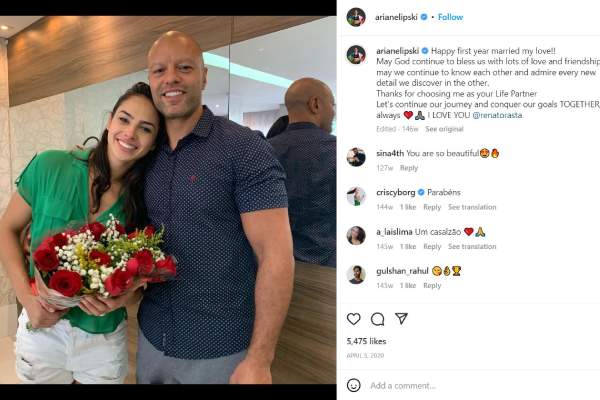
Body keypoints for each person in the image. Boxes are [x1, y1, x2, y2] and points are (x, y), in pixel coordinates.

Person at [138, 31, 294, 384]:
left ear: (204, 76)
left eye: (184, 67)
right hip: (152, 336)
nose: (171, 78)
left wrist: (260, 359)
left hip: (220, 347)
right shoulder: (144, 152)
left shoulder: (244, 148)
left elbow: (275, 256)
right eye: (159, 70)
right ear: (150, 80)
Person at [0, 82, 165, 384]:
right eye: (124, 119)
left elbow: (141, 283)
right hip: (43, 330)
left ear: (154, 143)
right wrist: (27, 298)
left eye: (145, 128)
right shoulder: (50, 166)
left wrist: (122, 300)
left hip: (103, 338)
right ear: (110, 121)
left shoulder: (144, 200)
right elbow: (6, 229)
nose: (130, 133)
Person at [268, 78, 336, 268]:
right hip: (326, 270)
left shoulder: (263, 150)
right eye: (332, 104)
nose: (334, 112)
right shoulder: (339, 152)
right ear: (315, 104)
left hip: (272, 266)